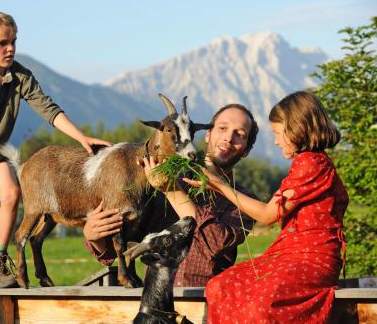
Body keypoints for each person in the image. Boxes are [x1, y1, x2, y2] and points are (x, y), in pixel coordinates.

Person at [0, 10, 110, 322]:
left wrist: (81, 137)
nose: (11, 48)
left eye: (14, 41)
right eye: (3, 43)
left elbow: (49, 110)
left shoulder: (20, 76)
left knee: (13, 192)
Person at [181, 91, 348, 323]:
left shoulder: (312, 162)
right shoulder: (307, 163)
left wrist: (220, 186)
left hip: (310, 257)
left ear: (297, 128)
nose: (277, 141)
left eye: (278, 134)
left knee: (263, 302)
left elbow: (269, 215)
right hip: (289, 255)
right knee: (221, 285)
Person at [83, 103, 259, 287]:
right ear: (207, 134)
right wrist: (95, 237)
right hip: (153, 298)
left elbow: (213, 243)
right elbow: (126, 242)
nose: (228, 138)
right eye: (222, 128)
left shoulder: (245, 201)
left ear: (246, 149)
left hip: (204, 302)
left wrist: (171, 191)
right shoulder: (163, 178)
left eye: (240, 135)